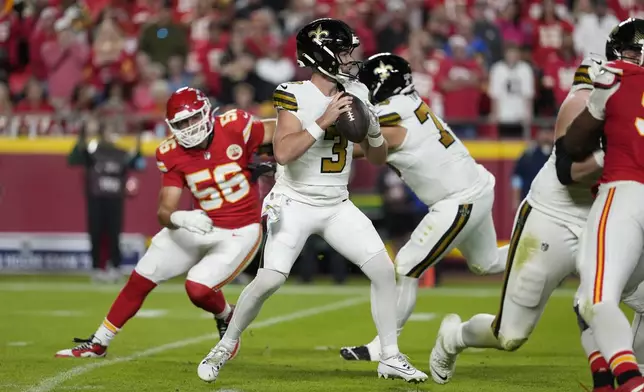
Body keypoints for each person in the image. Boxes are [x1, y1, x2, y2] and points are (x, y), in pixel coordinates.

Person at [196, 18, 427, 384]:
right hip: (294, 201)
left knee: (384, 271)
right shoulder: (292, 91)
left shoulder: (360, 92)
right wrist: (323, 120)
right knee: (270, 279)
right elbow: (284, 152)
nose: (352, 57)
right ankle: (224, 346)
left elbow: (378, 157)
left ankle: (390, 356)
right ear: (322, 54)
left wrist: (374, 134)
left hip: (337, 203)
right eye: (344, 50)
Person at [428, 21, 644, 392]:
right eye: (635, 53)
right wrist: (610, 155)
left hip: (611, 214)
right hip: (556, 216)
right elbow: (566, 171)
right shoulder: (595, 83)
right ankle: (455, 337)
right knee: (510, 334)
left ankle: (626, 371)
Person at [55, 87, 276, 360]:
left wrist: (281, 159)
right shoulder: (171, 153)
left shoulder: (235, 125)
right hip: (201, 223)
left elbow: (282, 132)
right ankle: (98, 342)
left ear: (207, 112)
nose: (189, 128)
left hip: (240, 230)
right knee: (141, 276)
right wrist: (178, 217)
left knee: (197, 289)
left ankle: (224, 314)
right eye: (182, 123)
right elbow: (164, 210)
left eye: (193, 119)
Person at [339, 53, 506, 363]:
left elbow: (370, 140)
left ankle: (382, 347)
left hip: (458, 199)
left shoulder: (391, 112)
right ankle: (558, 251)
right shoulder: (407, 102)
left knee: (406, 266)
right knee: (488, 263)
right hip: (473, 187)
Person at [564, 18, 644, 392]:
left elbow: (574, 143)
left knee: (595, 298)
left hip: (626, 189)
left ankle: (628, 381)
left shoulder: (612, 76)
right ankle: (603, 377)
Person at [68, 117, 144, 283]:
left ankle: (115, 267)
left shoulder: (122, 153)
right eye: (109, 131)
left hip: (115, 199)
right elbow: (73, 159)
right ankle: (96, 267)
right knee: (95, 233)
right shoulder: (93, 150)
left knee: (114, 234)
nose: (112, 135)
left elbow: (140, 164)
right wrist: (82, 134)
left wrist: (139, 141)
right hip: (96, 198)